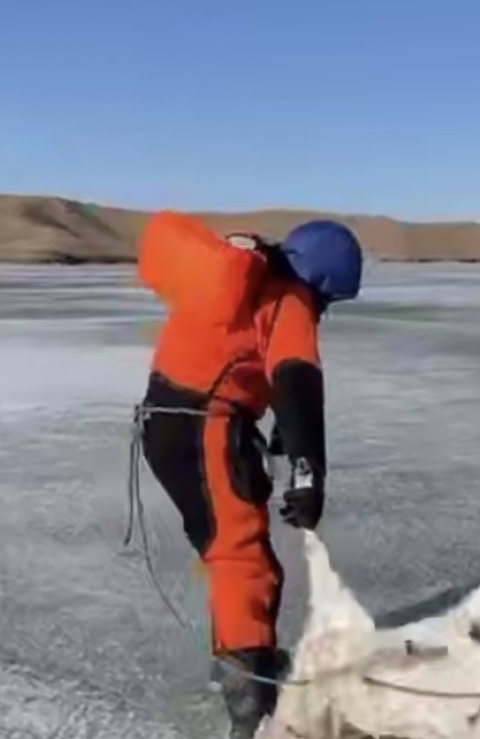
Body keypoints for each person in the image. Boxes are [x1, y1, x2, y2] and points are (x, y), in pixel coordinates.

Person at [136, 211, 363, 739]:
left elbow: (250, 362)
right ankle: (250, 703)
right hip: (208, 430)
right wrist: (309, 472)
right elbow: (296, 379)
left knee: (230, 553)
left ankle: (242, 658)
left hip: (166, 426)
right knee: (245, 562)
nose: (323, 310)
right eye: (328, 299)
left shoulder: (242, 280)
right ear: (320, 281)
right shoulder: (291, 297)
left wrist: (280, 428)